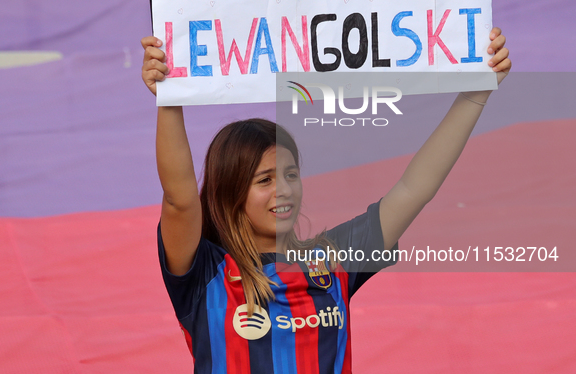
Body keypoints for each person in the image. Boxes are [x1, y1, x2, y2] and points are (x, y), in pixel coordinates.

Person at [141, 28, 510, 373]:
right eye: (265, 180)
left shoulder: (333, 260)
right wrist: (169, 98)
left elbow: (414, 189)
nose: (284, 189)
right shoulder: (204, 273)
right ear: (231, 192)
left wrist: (476, 94)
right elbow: (180, 200)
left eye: (290, 174)